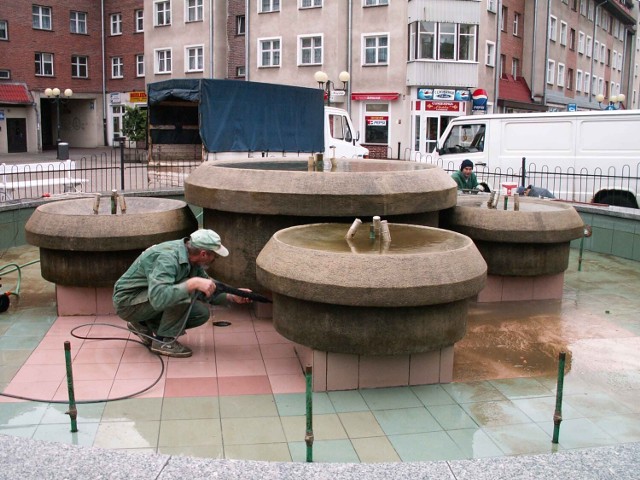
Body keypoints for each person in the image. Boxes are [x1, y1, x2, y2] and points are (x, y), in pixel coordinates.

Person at [113, 229, 251, 358]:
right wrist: (192, 284)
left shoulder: (191, 258)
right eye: (214, 256)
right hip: (128, 303)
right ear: (204, 254)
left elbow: (207, 285)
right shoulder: (167, 258)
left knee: (200, 314)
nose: (215, 259)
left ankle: (142, 323)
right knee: (186, 286)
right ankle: (163, 341)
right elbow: (158, 297)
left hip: (145, 299)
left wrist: (232, 296)